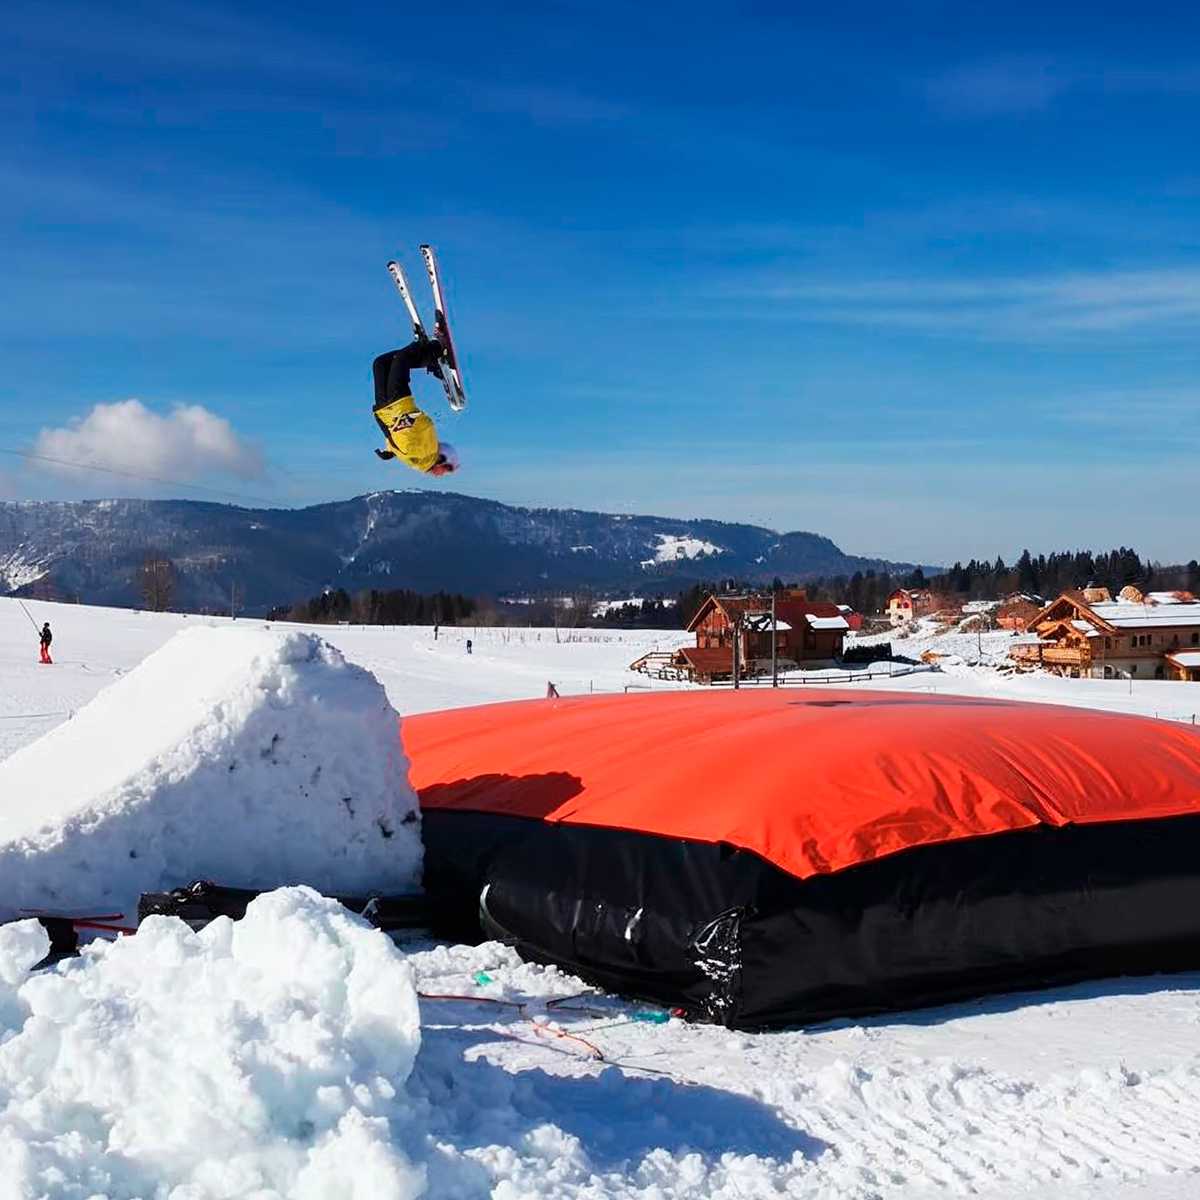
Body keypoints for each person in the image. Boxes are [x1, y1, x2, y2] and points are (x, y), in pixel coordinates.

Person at [372, 340, 459, 475]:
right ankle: (433, 351)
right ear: (442, 460)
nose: (441, 475)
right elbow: (426, 425)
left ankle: (429, 355)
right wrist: (410, 419)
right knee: (401, 359)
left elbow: (400, 441)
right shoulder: (428, 453)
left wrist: (391, 451)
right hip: (399, 404)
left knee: (381, 364)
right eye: (448, 469)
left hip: (385, 410)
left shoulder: (418, 462)